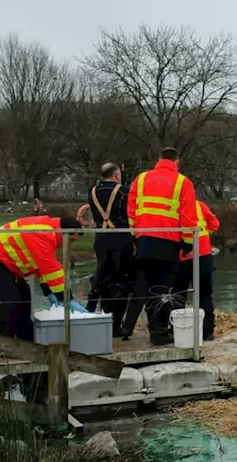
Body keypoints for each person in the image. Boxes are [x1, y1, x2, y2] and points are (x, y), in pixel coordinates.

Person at [118, 147, 199, 346]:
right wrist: (187, 242)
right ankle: (159, 331)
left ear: (158, 159)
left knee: (148, 286)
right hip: (168, 241)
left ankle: (153, 328)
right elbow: (188, 216)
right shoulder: (183, 182)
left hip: (144, 240)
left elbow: (131, 208)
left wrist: (135, 235)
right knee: (163, 289)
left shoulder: (141, 178)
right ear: (177, 161)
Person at [0, 213, 86, 343]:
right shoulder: (43, 234)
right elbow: (51, 269)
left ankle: (26, 341)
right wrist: (66, 299)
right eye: (72, 240)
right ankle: (3, 344)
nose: (70, 245)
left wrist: (49, 292)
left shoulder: (48, 232)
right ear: (64, 233)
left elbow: (41, 268)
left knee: (24, 295)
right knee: (12, 299)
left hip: (2, 260)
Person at [85, 162, 134, 315]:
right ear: (117, 175)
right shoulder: (124, 191)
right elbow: (130, 213)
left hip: (100, 238)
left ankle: (97, 308)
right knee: (120, 277)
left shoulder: (92, 192)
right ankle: (116, 317)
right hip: (120, 238)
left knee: (102, 272)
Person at [173, 198, 220, 340]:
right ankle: (207, 331)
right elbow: (214, 224)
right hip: (204, 254)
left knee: (178, 294)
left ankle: (178, 329)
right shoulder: (200, 205)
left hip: (183, 256)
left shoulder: (173, 208)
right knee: (205, 295)